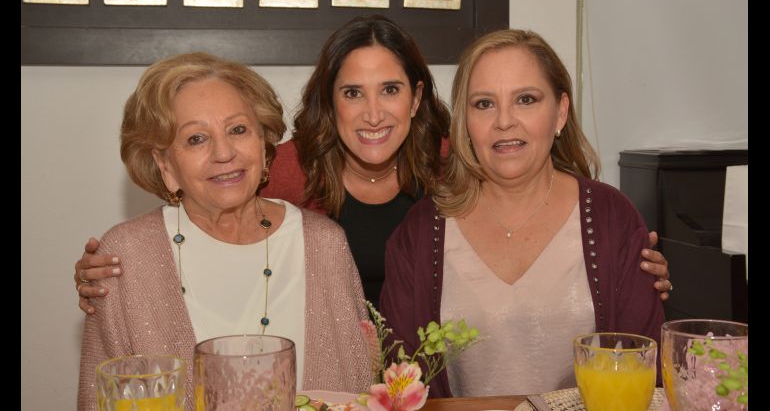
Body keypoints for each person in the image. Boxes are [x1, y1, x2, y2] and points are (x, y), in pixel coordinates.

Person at [73, 16, 672, 313]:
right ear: (328, 104)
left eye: (390, 90)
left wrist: (621, 269)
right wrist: (116, 273)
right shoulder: (281, 172)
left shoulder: (456, 169)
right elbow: (201, 206)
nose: (372, 113)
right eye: (352, 93)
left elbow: (554, 223)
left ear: (417, 98)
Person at [379, 29, 666, 398]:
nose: (504, 121)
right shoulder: (418, 234)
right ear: (464, 121)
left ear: (560, 111)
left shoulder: (613, 219)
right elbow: (402, 387)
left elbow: (645, 374)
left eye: (526, 99)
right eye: (484, 104)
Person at [78, 53, 371, 410]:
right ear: (164, 163)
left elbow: (362, 391)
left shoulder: (325, 244)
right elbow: (99, 402)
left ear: (264, 144)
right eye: (196, 139)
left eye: (238, 130)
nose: (223, 153)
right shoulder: (125, 256)